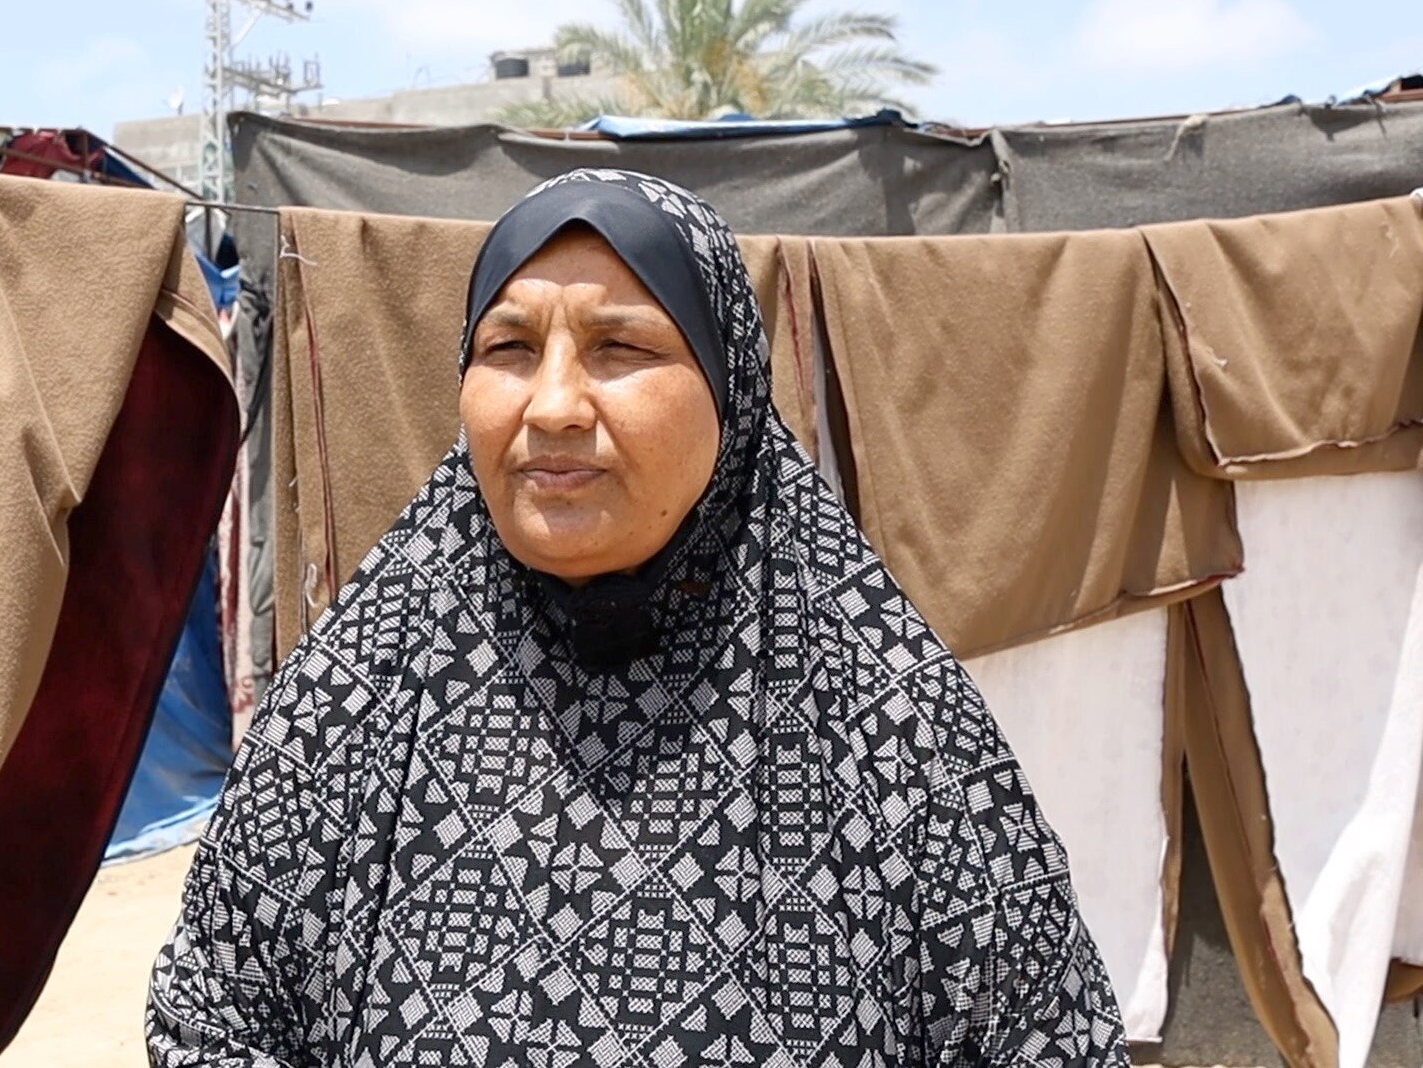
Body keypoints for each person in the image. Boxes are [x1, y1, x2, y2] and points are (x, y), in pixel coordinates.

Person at [147, 169, 1130, 1066]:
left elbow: (1049, 1041)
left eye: (620, 345)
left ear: (730, 384)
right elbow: (213, 1021)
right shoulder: (356, 695)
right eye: (510, 348)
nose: (554, 406)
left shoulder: (893, 719)